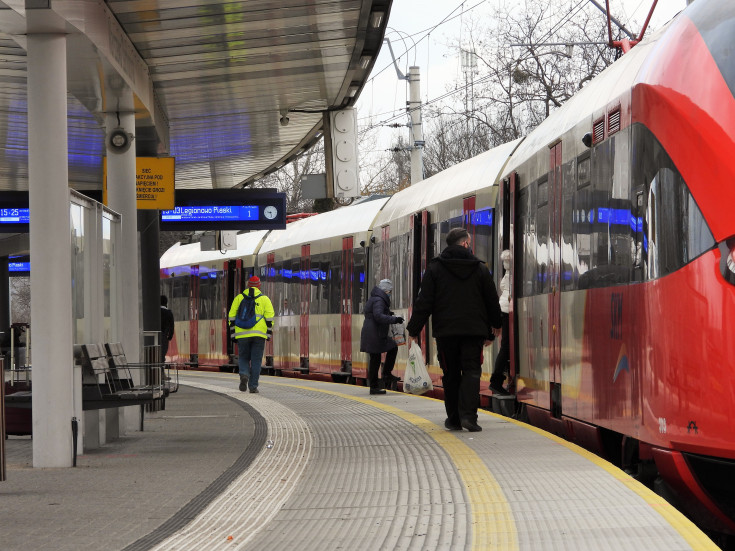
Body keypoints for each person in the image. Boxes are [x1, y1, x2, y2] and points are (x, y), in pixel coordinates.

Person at [406, 228, 502, 432]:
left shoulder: (435, 268)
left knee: (450, 374)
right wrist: (495, 327)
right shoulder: (480, 268)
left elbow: (424, 302)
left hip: (446, 333)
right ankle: (469, 417)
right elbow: (491, 300)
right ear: (466, 243)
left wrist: (414, 329)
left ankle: (454, 419)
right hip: (473, 332)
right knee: (471, 371)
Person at [229, 275, 275, 393]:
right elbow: (270, 318)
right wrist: (268, 333)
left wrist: (233, 333)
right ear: (259, 286)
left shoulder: (239, 298)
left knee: (243, 357)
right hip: (259, 335)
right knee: (256, 360)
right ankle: (253, 386)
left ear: (248, 285)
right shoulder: (265, 299)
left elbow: (231, 317)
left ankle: (244, 374)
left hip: (242, 334)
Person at [360, 279, 404, 395]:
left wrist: (388, 315)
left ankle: (380, 380)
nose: (390, 293)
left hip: (373, 332)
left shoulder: (376, 298)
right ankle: (382, 378)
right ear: (386, 290)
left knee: (377, 357)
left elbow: (376, 314)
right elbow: (378, 316)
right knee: (383, 353)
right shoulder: (379, 300)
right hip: (375, 332)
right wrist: (394, 319)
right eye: (390, 291)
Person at [490, 250, 511, 395]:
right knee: (506, 347)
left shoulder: (507, 273)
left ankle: (498, 378)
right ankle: (496, 380)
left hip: (503, 310)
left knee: (506, 346)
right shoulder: (511, 274)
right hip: (506, 311)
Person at [160, 295, 175, 361]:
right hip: (164, 336)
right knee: (163, 353)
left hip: (156, 337)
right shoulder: (169, 313)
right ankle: (162, 369)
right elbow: (172, 326)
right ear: (166, 303)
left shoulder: (156, 312)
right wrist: (170, 336)